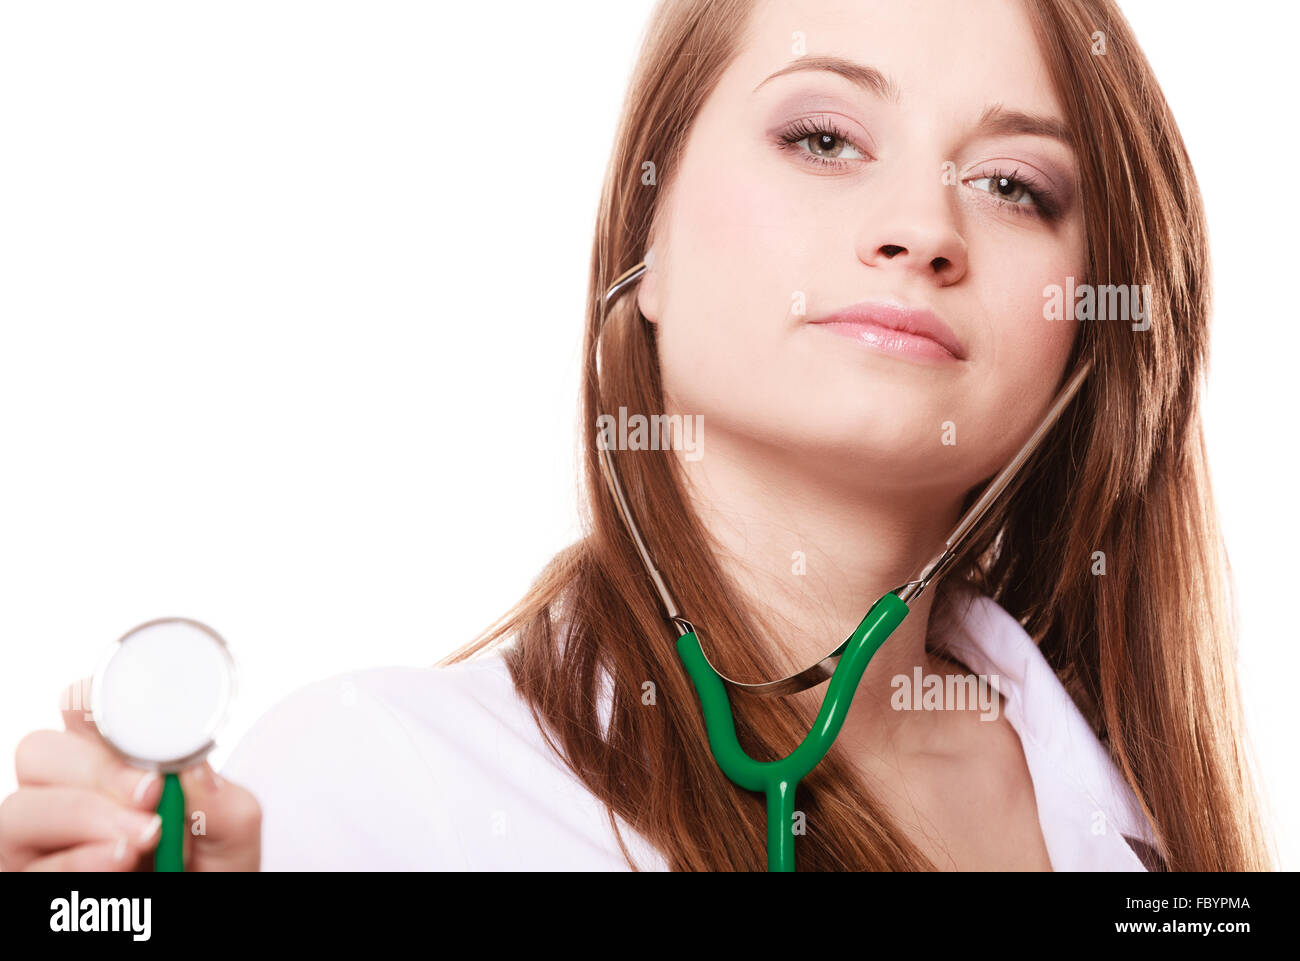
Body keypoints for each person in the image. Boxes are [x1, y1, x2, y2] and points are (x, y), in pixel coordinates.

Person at [0, 0, 1273, 872]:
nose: (921, 229)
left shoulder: (1157, 830)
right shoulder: (354, 791)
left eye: (1014, 186)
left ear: (1080, 333)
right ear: (642, 246)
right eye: (823, 138)